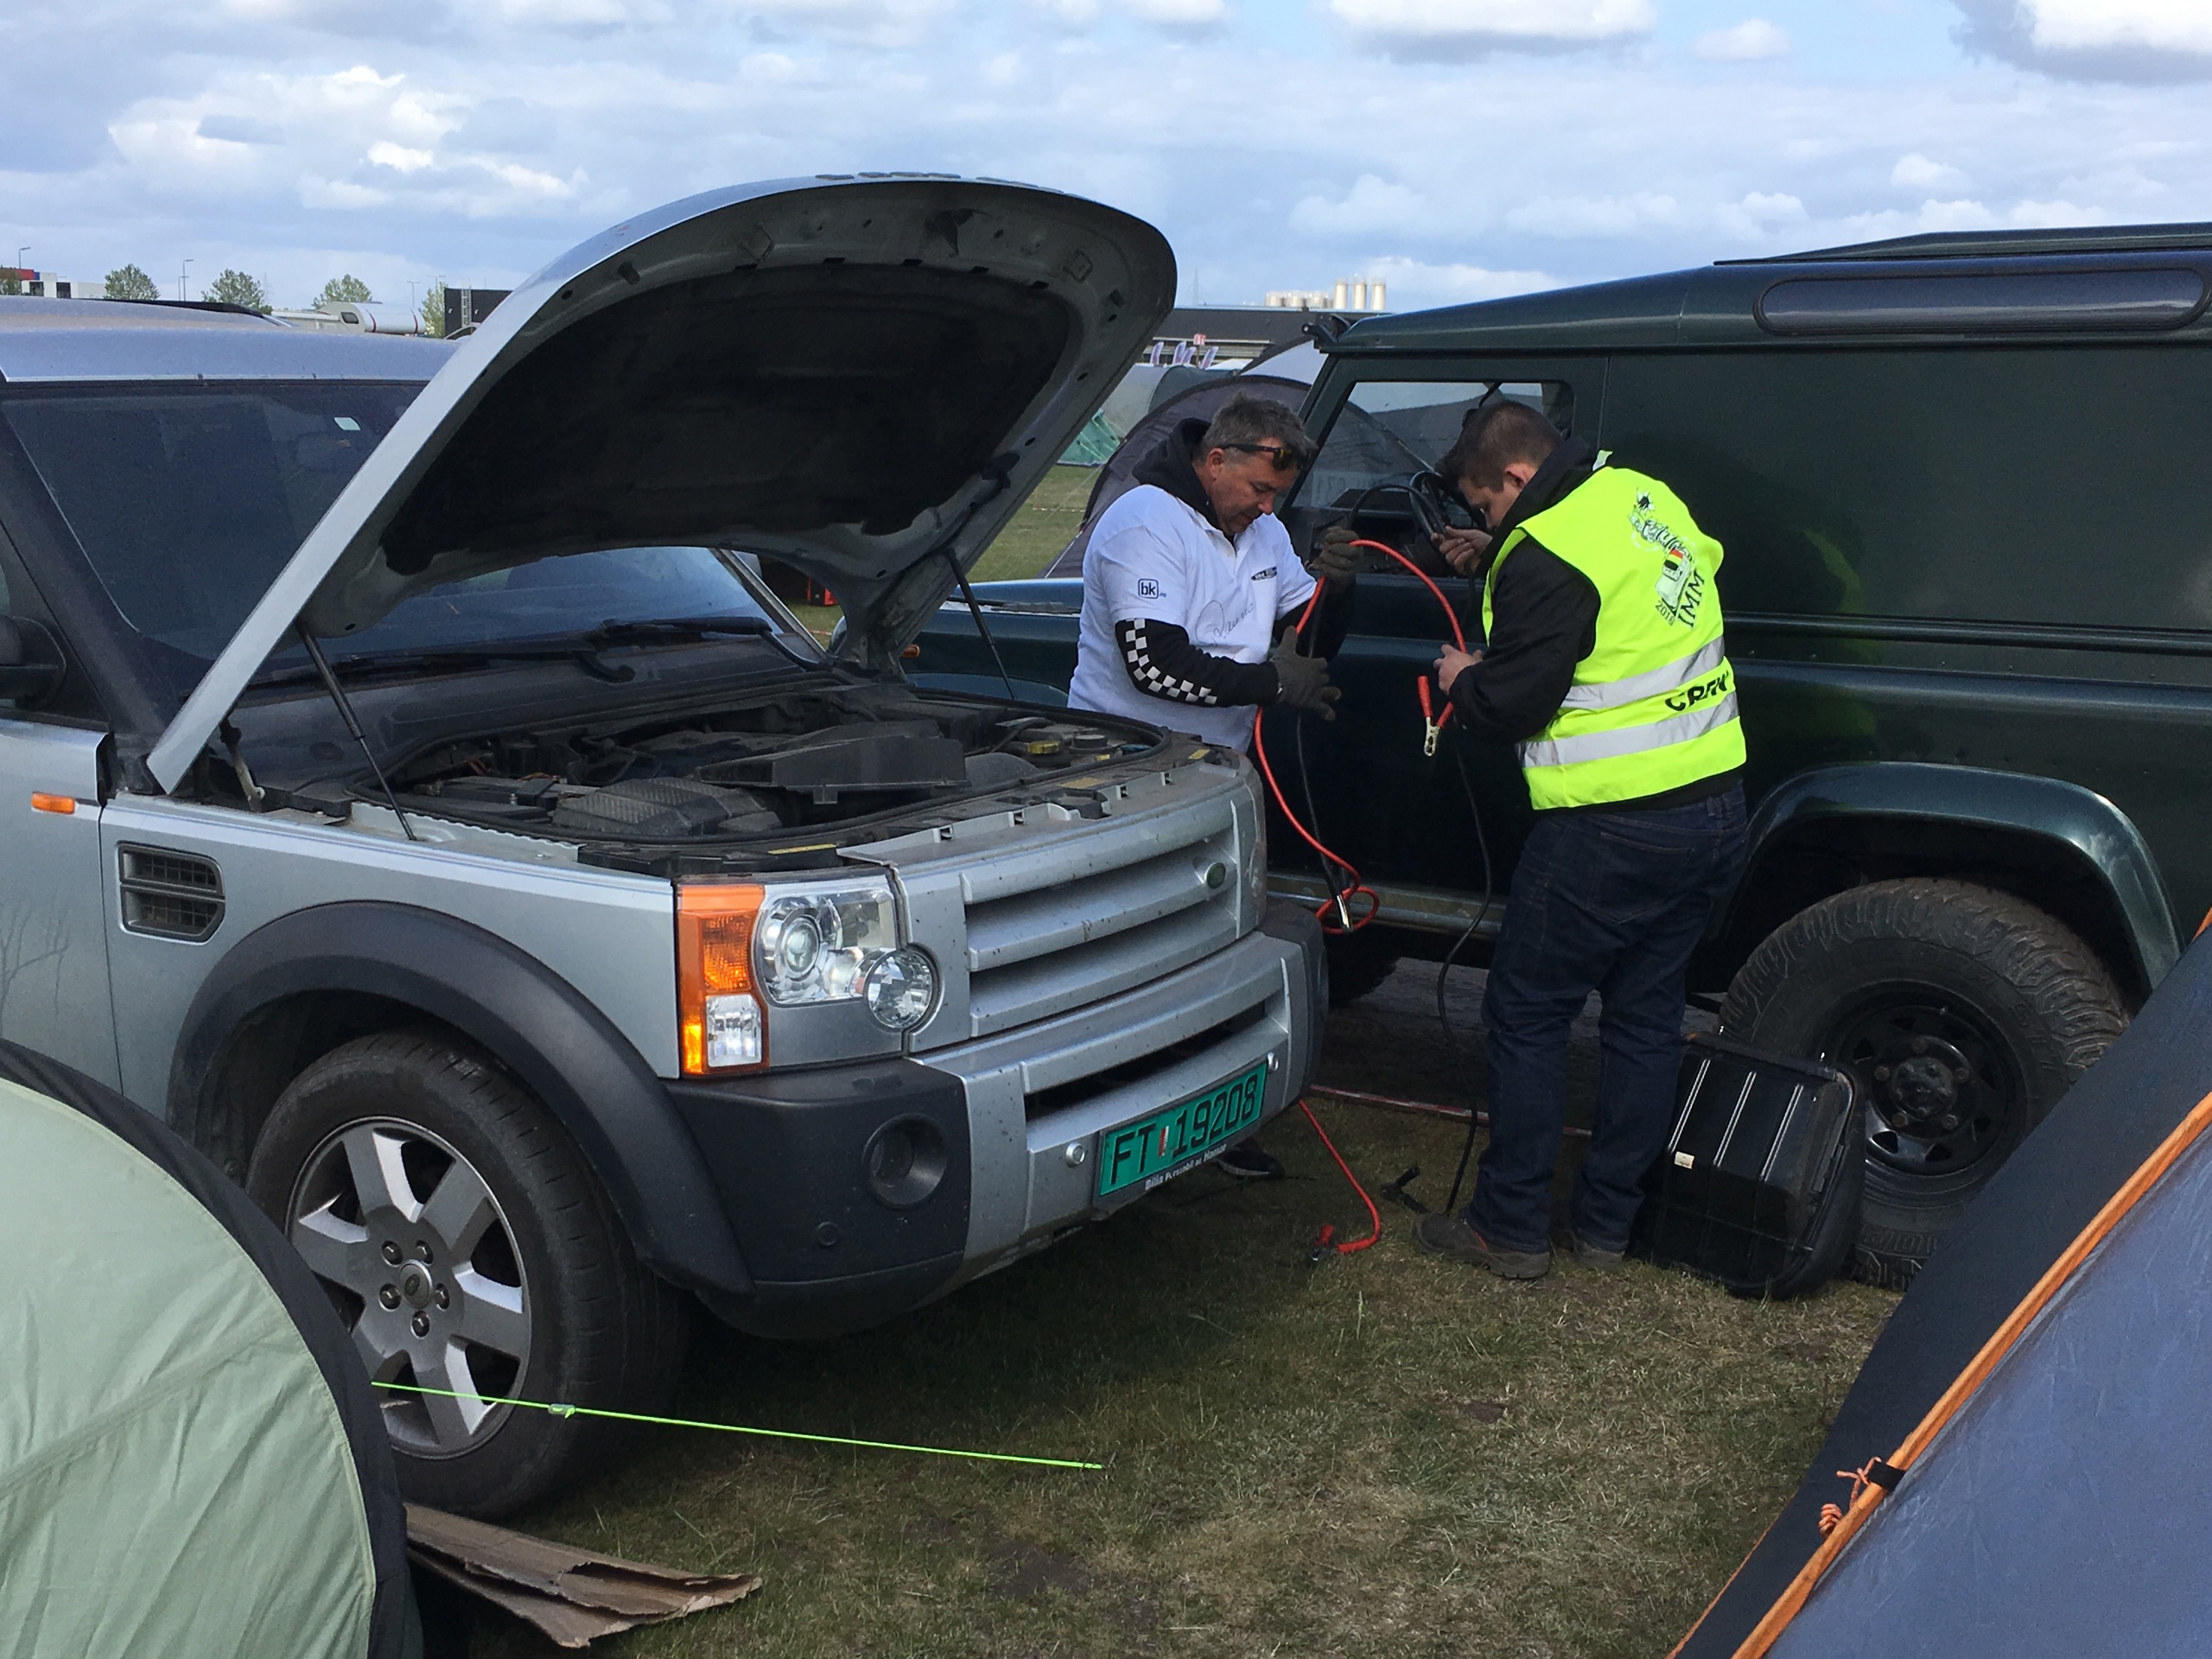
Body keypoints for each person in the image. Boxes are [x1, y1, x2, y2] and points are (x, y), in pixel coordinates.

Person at [1413, 400, 1748, 1277]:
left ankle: (1509, 1227)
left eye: (1488, 505)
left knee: (1527, 1013)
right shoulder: (1640, 494)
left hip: (1610, 824)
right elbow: (1636, 590)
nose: (1489, 520)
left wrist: (1461, 677)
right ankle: (1607, 1227)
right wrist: (1501, 554)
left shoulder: (1544, 555)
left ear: (1517, 477)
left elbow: (1508, 706)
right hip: (1713, 805)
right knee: (1645, 1021)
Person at [1068, 392, 1358, 1178]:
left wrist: (1339, 589)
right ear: (1216, 458)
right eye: (1260, 489)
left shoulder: (1262, 531)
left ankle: (1206, 1114)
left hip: (1217, 773)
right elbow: (1154, 665)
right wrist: (1272, 684)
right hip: (1129, 768)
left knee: (1216, 945)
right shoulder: (1143, 521)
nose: (1268, 507)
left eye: (1278, 496)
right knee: (1132, 948)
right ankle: (1117, 1108)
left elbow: (1306, 635)